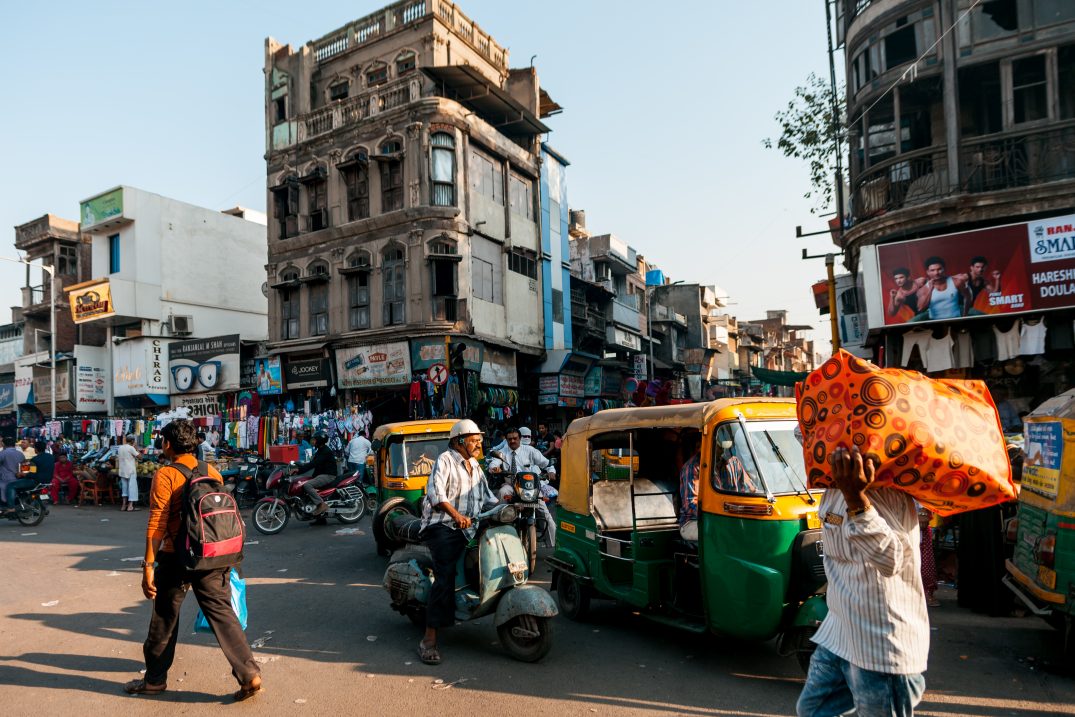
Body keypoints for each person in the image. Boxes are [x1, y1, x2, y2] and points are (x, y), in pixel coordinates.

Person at [124, 419, 261, 701]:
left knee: (164, 617)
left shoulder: (165, 475)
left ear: (167, 444)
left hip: (177, 556)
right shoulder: (212, 471)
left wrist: (148, 566)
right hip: (212, 554)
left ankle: (154, 681)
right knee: (222, 614)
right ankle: (249, 674)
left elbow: (157, 524)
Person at [797, 446, 928, 717]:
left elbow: (891, 560)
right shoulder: (836, 481)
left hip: (879, 645)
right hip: (841, 632)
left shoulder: (881, 489)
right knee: (812, 711)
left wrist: (856, 499)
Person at [418, 419, 498, 665]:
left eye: (479, 440)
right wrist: (457, 516)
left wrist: (508, 501)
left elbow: (488, 498)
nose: (478, 444)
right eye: (474, 440)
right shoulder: (445, 460)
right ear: (459, 441)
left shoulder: (475, 465)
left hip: (468, 527)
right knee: (445, 575)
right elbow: (436, 494)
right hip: (442, 526)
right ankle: (429, 639)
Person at [488, 427, 557, 547]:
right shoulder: (502, 452)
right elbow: (494, 462)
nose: (512, 441)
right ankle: (497, 528)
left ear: (520, 439)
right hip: (511, 486)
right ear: (507, 440)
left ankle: (555, 546)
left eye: (515, 438)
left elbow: (546, 463)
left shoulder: (530, 451)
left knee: (546, 514)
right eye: (510, 439)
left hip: (530, 488)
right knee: (502, 492)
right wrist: (494, 468)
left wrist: (551, 471)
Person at [914, 256, 971, 321]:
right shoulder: (925, 289)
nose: (936, 273)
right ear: (928, 272)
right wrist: (930, 289)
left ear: (944, 269)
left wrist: (965, 315)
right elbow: (920, 308)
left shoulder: (956, 282)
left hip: (956, 319)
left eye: (939, 269)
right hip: (935, 321)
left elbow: (968, 296)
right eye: (932, 270)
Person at [295, 432, 338, 516]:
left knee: (307, 485)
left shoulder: (325, 451)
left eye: (314, 440)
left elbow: (314, 464)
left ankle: (321, 504)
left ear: (319, 441)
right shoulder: (320, 450)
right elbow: (312, 463)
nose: (313, 442)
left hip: (328, 475)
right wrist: (299, 466)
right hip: (321, 474)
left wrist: (299, 470)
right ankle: (319, 518)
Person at [678, 433, 701, 541]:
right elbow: (691, 504)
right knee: (721, 532)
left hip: (725, 519)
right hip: (692, 522)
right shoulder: (692, 467)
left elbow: (750, 488)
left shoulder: (733, 462)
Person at [0, 437, 28, 514]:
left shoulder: (3, 453)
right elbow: (25, 467)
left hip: (5, 479)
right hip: (18, 478)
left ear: (3, 444)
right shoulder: (20, 454)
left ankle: (6, 507)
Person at [116, 435, 141, 512]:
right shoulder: (131, 448)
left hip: (122, 470)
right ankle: (130, 506)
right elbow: (140, 456)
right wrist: (136, 448)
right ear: (132, 441)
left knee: (124, 488)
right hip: (130, 470)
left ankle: (123, 505)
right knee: (132, 488)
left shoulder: (120, 448)